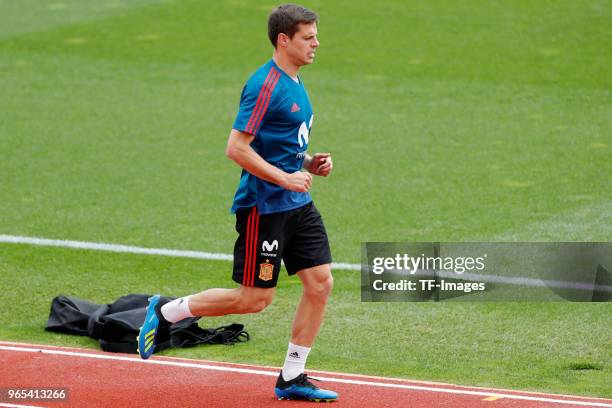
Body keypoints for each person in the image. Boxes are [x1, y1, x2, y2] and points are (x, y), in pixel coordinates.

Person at [137, 4, 338, 402]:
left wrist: (308, 161)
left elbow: (278, 143)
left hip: (295, 204)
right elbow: (236, 147)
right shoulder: (265, 85)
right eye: (308, 36)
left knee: (320, 284)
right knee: (255, 300)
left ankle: (292, 376)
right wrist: (284, 177)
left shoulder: (295, 81)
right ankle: (165, 311)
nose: (317, 43)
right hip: (264, 208)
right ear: (284, 40)